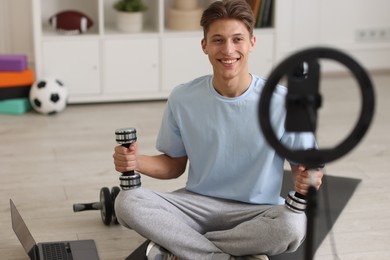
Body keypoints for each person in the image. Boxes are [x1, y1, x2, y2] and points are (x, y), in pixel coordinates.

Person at [113, 0, 324, 259]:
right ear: (204, 45)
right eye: (218, 40)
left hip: (256, 211)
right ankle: (222, 254)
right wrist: (135, 161)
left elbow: (308, 170)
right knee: (126, 202)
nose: (228, 49)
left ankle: (182, 247)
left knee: (292, 226)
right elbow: (174, 165)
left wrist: (309, 179)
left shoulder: (284, 102)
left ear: (252, 43)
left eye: (237, 39)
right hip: (196, 205)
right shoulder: (182, 98)